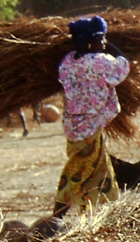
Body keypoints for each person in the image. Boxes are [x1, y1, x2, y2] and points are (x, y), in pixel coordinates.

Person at [53, 15, 130, 218]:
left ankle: (101, 216)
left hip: (73, 125)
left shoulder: (68, 62)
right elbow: (122, 67)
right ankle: (56, 216)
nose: (103, 43)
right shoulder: (100, 62)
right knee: (79, 169)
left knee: (100, 170)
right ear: (90, 41)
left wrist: (100, 44)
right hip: (90, 126)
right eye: (101, 39)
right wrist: (113, 48)